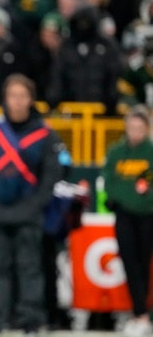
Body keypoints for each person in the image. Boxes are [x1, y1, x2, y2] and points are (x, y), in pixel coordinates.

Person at [0, 73, 64, 335]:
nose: (17, 101)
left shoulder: (44, 134)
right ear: (5, 98)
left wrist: (37, 203)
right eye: (12, 95)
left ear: (31, 100)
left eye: (22, 96)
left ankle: (31, 321)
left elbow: (51, 173)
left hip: (28, 212)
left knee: (30, 269)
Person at [102, 105, 153, 337]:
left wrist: (136, 199)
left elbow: (147, 187)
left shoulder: (150, 153)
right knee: (130, 263)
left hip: (147, 216)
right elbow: (110, 182)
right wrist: (122, 198)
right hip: (124, 216)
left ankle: (142, 313)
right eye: (131, 127)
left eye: (139, 128)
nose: (135, 132)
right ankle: (139, 313)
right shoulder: (115, 152)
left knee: (144, 264)